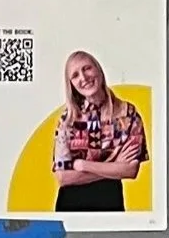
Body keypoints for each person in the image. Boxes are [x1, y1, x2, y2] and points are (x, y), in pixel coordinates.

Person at [49, 51, 147, 214]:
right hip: (70, 206)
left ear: (99, 70)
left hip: (110, 202)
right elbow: (63, 177)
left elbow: (130, 170)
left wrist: (82, 165)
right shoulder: (67, 120)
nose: (83, 77)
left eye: (87, 68)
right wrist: (113, 166)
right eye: (75, 75)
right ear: (71, 84)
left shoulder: (127, 113)